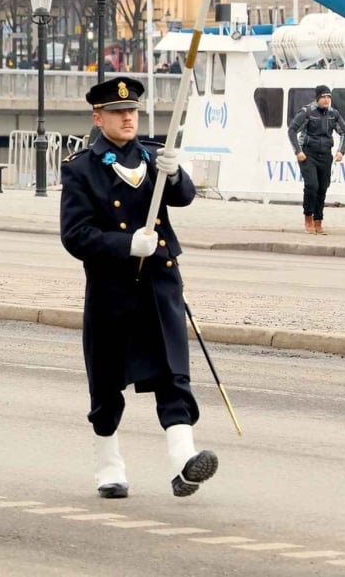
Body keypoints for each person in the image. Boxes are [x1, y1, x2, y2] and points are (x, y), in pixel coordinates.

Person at [60, 76, 217, 500]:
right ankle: (109, 467)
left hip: (159, 282)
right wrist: (125, 244)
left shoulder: (152, 156)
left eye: (131, 111)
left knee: (172, 372)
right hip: (112, 289)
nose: (127, 118)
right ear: (98, 118)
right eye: (117, 112)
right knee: (107, 381)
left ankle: (183, 462)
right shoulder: (81, 168)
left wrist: (176, 173)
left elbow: (183, 197)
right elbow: (74, 235)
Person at [286, 85, 345, 234]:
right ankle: (308, 217)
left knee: (323, 187)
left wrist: (341, 151)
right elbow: (292, 130)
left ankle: (318, 220)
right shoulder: (307, 112)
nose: (326, 100)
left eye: (329, 97)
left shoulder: (334, 114)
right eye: (323, 97)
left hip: (325, 154)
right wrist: (298, 151)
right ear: (317, 98)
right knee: (312, 185)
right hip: (308, 154)